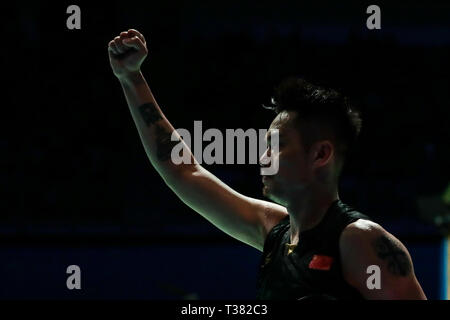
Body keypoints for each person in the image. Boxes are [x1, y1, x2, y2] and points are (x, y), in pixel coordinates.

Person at [108, 29, 427, 300]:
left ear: (320, 154)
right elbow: (183, 170)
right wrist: (130, 78)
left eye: (276, 146)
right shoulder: (274, 233)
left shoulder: (359, 240)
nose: (262, 158)